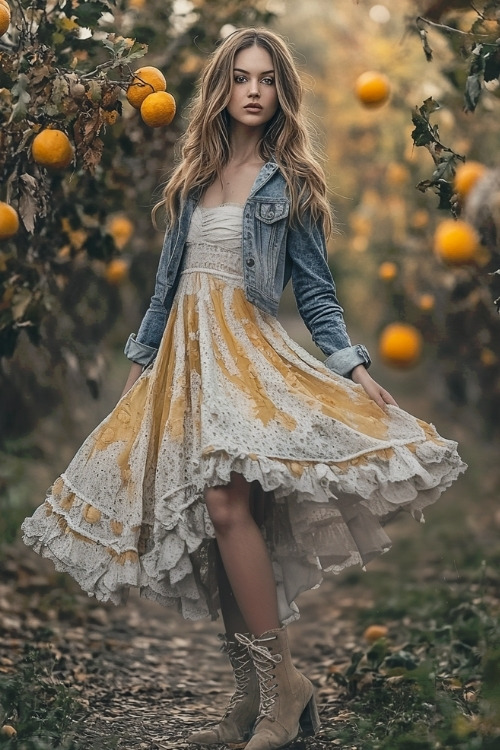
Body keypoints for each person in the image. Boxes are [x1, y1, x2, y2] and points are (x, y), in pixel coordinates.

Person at [22, 27, 466, 750]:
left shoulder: (287, 185)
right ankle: (259, 696)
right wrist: (138, 374)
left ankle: (280, 695)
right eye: (241, 78)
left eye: (266, 79)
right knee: (221, 523)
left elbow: (317, 296)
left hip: (246, 359)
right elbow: (165, 293)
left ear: (280, 92)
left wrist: (356, 369)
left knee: (229, 507)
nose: (254, 90)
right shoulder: (193, 179)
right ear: (222, 90)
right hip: (186, 364)